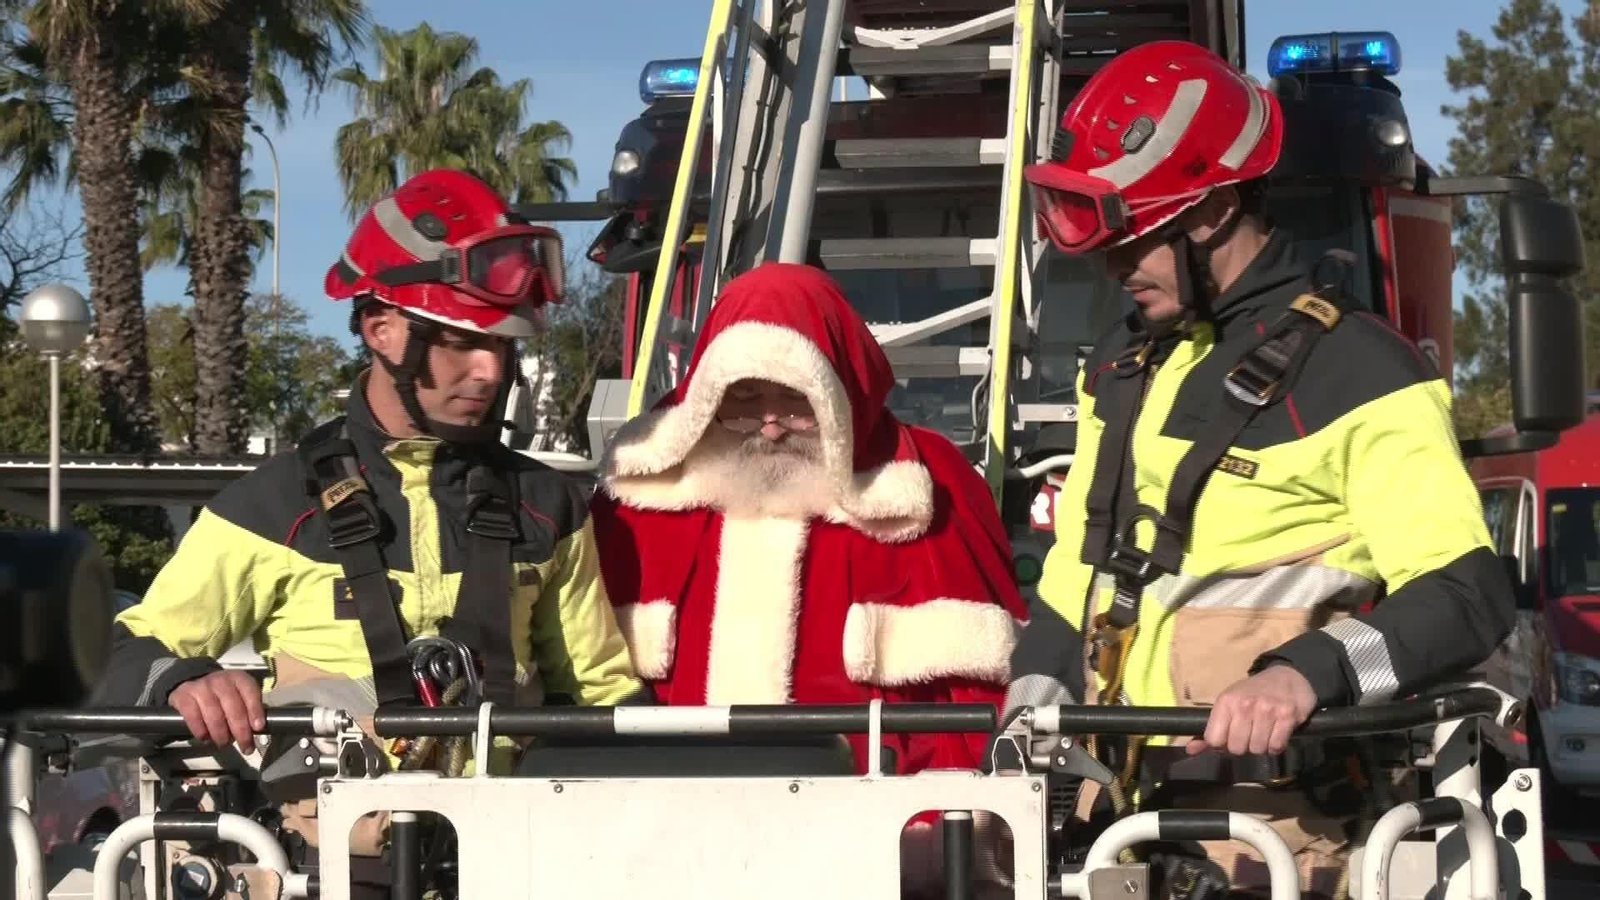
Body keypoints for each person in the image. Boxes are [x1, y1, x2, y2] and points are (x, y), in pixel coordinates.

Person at [1005, 40, 1513, 899]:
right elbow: (1078, 573)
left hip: (1275, 833)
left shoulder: (1362, 369)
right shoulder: (1125, 361)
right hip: (1107, 817)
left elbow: (1468, 593)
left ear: (1213, 212)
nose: (1115, 265)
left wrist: (1305, 673)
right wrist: (1025, 709)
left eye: (1139, 237)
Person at [97, 169, 646, 889]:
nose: (487, 370)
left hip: (514, 863)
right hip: (324, 874)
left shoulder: (548, 503)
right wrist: (183, 679)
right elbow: (126, 650)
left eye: (503, 344)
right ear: (381, 329)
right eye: (457, 340)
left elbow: (600, 696)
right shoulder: (270, 504)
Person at [589, 261, 1027, 896]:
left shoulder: (931, 489)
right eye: (743, 400)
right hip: (667, 849)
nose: (768, 424)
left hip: (874, 853)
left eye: (792, 402)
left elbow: (975, 706)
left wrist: (946, 841)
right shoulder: (636, 501)